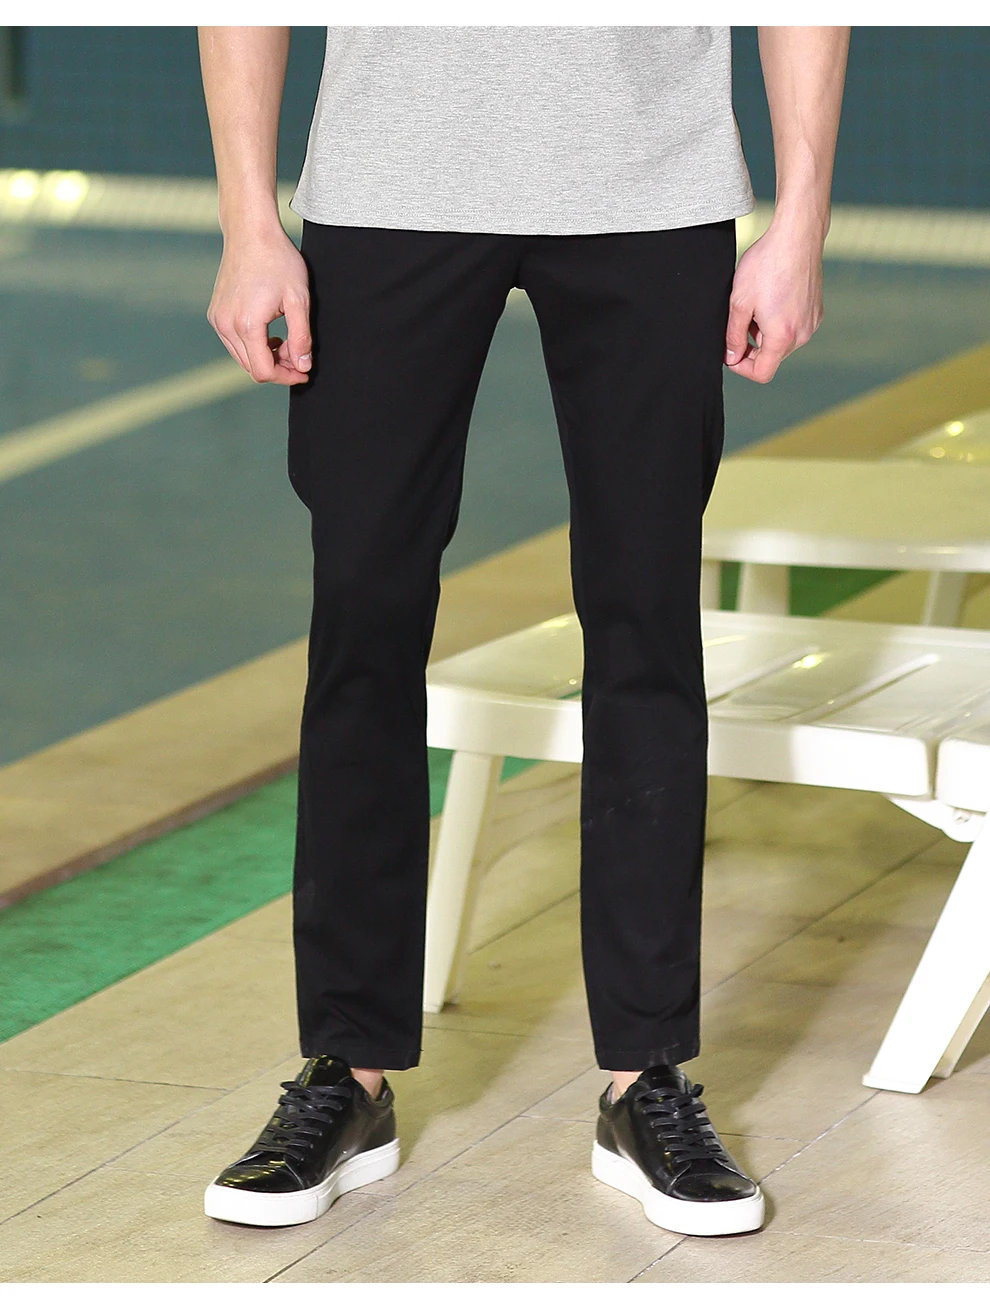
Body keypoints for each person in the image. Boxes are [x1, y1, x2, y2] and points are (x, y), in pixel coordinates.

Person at [197, 24, 849, 1237]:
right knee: (363, 619)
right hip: (388, 182)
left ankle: (646, 1076)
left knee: (647, 618)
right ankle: (347, 1068)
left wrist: (801, 217)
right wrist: (249, 219)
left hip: (652, 185)